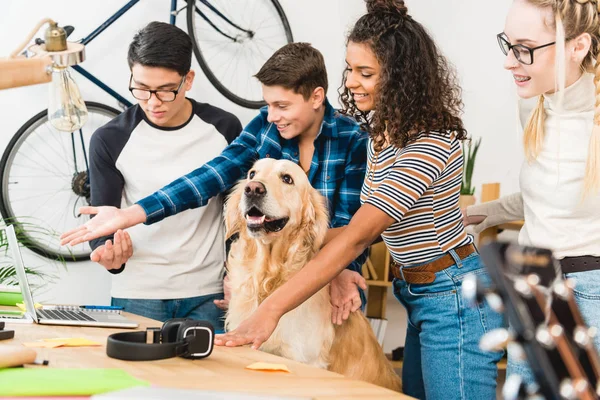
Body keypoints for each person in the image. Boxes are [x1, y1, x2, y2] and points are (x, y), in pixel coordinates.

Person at [212, 1, 505, 399]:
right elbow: (347, 229)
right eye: (350, 68)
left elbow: (356, 237)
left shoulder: (428, 144)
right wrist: (287, 236)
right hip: (415, 289)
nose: (350, 82)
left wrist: (270, 310)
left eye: (365, 73)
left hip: (451, 293)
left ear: (402, 78)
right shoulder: (382, 139)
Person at [62, 42, 370, 322]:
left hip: (325, 279)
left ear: (316, 96)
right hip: (262, 283)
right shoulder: (265, 126)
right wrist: (130, 214)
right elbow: (211, 176)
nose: (272, 115)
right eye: (268, 104)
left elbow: (353, 228)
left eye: (282, 105)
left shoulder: (352, 139)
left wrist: (342, 269)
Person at [464, 0, 600, 388]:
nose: (509, 61)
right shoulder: (535, 104)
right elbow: (554, 197)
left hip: (588, 293)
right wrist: (485, 212)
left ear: (578, 47)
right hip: (533, 284)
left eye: (524, 48)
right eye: (507, 44)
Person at [86, 22, 242, 331]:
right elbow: (103, 226)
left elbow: (237, 214)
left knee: (213, 380)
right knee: (140, 380)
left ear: (188, 80)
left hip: (208, 294)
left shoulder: (224, 129)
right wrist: (107, 254)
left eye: (167, 91)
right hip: (138, 293)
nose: (153, 102)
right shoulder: (110, 138)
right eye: (141, 89)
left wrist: (238, 273)